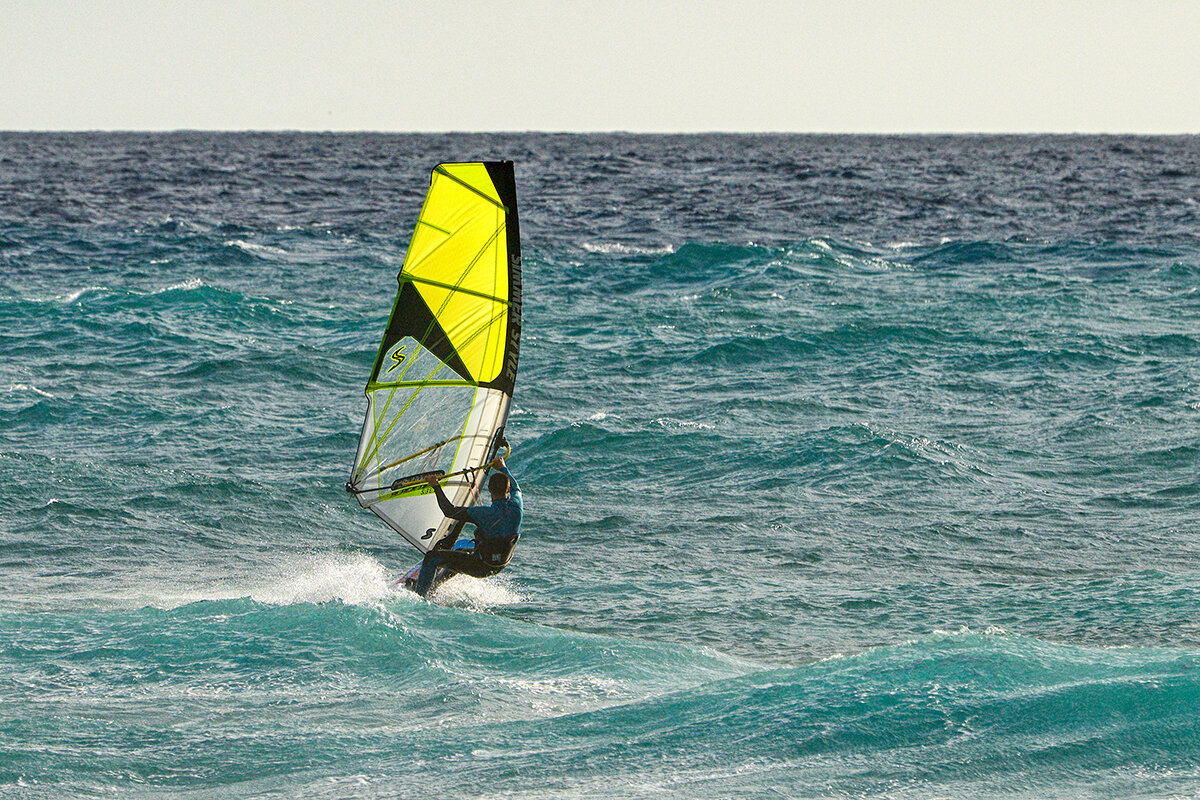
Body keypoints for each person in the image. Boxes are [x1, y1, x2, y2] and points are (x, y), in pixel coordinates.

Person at [414, 456, 523, 597]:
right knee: (460, 551)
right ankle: (435, 585)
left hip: (480, 566)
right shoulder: (517, 507)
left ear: (489, 489)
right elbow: (517, 488)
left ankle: (420, 596)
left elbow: (449, 511)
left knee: (431, 558)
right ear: (507, 490)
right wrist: (503, 467)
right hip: (500, 564)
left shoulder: (484, 513)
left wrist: (435, 486)